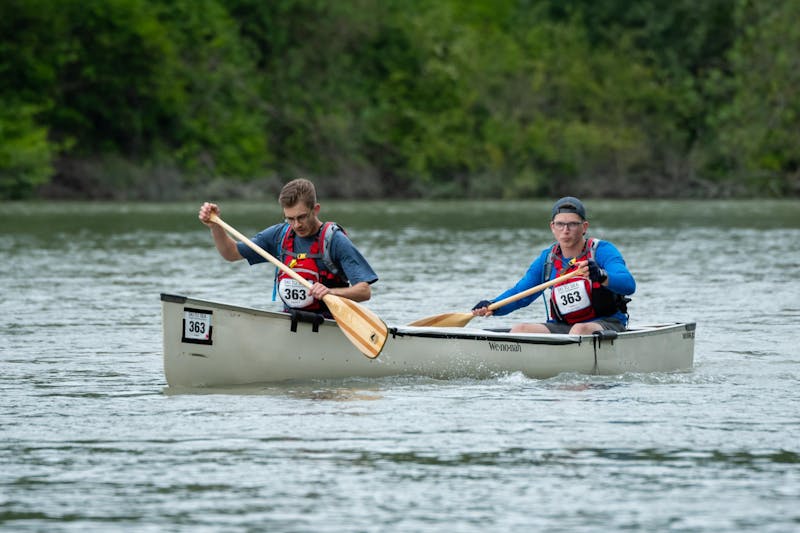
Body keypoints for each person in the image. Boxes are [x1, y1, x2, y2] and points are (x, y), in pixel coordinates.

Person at [198, 178, 378, 316]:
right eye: (290, 218)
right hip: (291, 322)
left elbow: (364, 291)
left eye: (302, 217)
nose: (296, 225)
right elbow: (231, 253)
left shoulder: (334, 240)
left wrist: (330, 292)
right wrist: (215, 225)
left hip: (329, 324)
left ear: (315, 209)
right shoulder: (279, 236)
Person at [471, 196, 635, 334]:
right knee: (519, 329)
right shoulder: (548, 259)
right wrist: (492, 306)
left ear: (584, 227)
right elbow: (521, 294)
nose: (565, 230)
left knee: (579, 330)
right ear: (552, 227)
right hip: (563, 327)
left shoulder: (601, 251)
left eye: (572, 224)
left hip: (607, 323)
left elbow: (628, 284)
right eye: (560, 224)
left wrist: (600, 275)